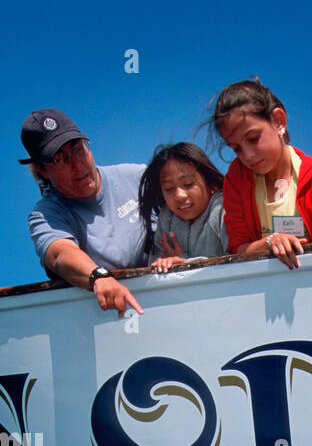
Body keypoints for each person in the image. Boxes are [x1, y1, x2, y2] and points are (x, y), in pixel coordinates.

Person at [209, 80, 312, 268]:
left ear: (279, 122)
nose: (248, 155)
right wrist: (270, 242)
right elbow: (238, 250)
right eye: (236, 148)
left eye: (253, 138)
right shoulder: (236, 180)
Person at [21, 109, 145, 315]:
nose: (78, 166)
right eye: (60, 159)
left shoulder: (139, 177)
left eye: (79, 149)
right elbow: (60, 254)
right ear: (41, 170)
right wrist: (99, 277)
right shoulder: (46, 215)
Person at [138, 144, 227, 273]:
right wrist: (163, 264)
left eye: (188, 184)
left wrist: (185, 262)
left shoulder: (223, 209)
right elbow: (155, 264)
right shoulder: (167, 219)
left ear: (210, 183)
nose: (179, 196)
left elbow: (240, 262)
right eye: (169, 189)